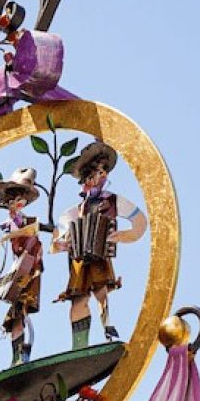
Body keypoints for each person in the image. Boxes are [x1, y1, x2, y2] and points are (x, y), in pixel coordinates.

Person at [51, 140, 147, 345]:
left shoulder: (112, 201)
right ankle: (79, 345)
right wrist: (62, 243)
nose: (100, 174)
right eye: (95, 171)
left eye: (104, 170)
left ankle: (107, 329)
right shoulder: (73, 211)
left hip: (99, 253)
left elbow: (139, 221)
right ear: (86, 178)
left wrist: (123, 236)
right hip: (78, 259)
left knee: (101, 293)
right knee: (78, 299)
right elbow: (58, 237)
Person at [0, 167, 47, 367]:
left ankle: (23, 355)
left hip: (31, 270)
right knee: (17, 314)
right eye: (12, 199)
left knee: (22, 311)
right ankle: (17, 357)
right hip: (19, 269)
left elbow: (36, 246)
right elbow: (15, 245)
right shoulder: (11, 224)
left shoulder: (31, 223)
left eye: (20, 198)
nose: (16, 203)